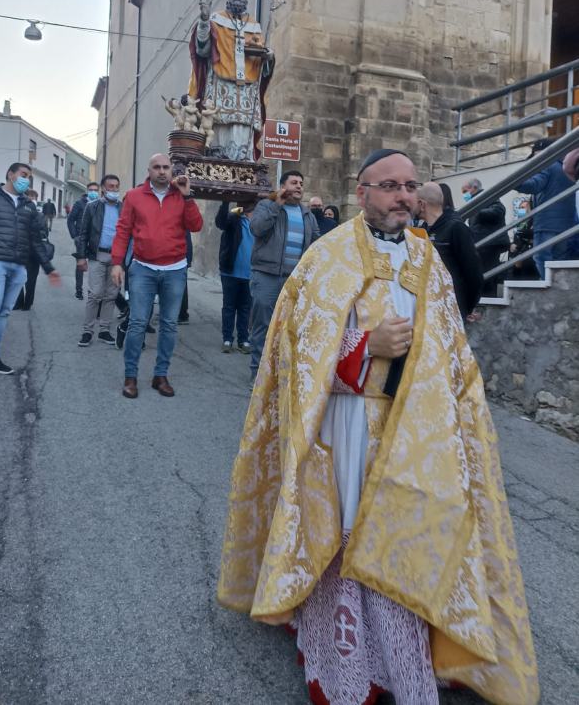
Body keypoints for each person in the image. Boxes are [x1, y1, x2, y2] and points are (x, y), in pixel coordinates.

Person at [218, 148, 539, 705]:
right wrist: (365, 348)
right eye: (389, 185)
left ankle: (407, 656)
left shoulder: (428, 260)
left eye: (410, 185)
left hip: (418, 430)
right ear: (361, 191)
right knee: (353, 529)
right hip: (351, 422)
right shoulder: (330, 254)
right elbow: (295, 349)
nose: (402, 196)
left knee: (407, 532)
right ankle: (348, 662)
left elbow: (452, 348)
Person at [111, 154, 203, 399]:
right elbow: (123, 230)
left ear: (171, 169)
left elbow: (196, 226)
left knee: (170, 325)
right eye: (157, 168)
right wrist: (117, 263)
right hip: (142, 268)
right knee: (138, 323)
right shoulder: (134, 196)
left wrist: (188, 196)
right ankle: (130, 376)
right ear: (149, 170)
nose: (162, 171)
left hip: (175, 269)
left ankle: (160, 376)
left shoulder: (181, 196)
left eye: (166, 167)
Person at [0, 163, 60, 377]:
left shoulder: (29, 205)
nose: (26, 179)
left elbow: (35, 239)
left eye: (29, 177)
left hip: (19, 264)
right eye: (23, 175)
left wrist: (48, 267)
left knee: (5, 311)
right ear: (10, 174)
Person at [188, 0, 274, 161]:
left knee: (241, 128)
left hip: (247, 90)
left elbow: (261, 64)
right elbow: (202, 49)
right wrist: (205, 20)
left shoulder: (254, 25)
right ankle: (218, 160)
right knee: (219, 126)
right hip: (220, 85)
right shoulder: (216, 19)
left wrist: (269, 58)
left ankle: (243, 162)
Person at [249, 170, 320, 383]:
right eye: (294, 182)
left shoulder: (307, 214)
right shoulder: (266, 206)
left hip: (295, 281)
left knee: (290, 328)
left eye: (301, 183)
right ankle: (258, 376)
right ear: (282, 186)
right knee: (262, 325)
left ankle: (281, 375)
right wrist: (276, 205)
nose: (299, 186)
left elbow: (316, 245)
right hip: (267, 276)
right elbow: (257, 228)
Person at [417, 182, 484, 318]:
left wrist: (465, 307)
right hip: (429, 308)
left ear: (422, 205)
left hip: (451, 311)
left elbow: (473, 273)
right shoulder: (423, 230)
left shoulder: (456, 228)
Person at [514, 141, 577, 278]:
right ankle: (559, 287)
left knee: (541, 257)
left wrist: (515, 182)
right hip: (566, 224)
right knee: (559, 259)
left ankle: (549, 286)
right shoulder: (567, 169)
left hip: (547, 222)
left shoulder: (548, 165)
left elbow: (534, 185)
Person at [76, 175, 122, 347]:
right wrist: (81, 257)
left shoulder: (123, 208)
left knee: (111, 295)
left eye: (116, 186)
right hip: (97, 255)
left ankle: (104, 330)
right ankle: (87, 331)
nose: (114, 190)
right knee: (95, 294)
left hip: (116, 258)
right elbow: (83, 234)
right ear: (103, 188)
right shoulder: (92, 207)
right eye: (110, 186)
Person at [215, 199, 255, 353]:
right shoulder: (234, 216)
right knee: (229, 307)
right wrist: (225, 202)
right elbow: (221, 222)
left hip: (250, 274)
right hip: (230, 272)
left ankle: (243, 339)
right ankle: (227, 339)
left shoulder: (259, 222)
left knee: (245, 308)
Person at [461, 177, 508, 297]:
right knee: (481, 274)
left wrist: (478, 211)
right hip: (482, 244)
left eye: (465, 191)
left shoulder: (486, 197)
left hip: (489, 245)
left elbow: (499, 211)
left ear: (474, 188)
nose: (464, 195)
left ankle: (488, 298)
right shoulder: (475, 201)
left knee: (487, 275)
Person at [13, 189, 49, 311]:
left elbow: (44, 232)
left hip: (34, 253)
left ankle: (27, 303)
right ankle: (19, 302)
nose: (32, 199)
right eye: (30, 196)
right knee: (17, 278)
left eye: (34, 196)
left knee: (31, 280)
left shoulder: (40, 215)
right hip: (20, 251)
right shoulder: (18, 212)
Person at [68, 182, 100, 299]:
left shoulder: (99, 204)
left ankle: (93, 291)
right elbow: (70, 220)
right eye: (91, 190)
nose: (93, 192)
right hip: (81, 239)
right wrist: (75, 236)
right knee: (80, 265)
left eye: (96, 190)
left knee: (95, 266)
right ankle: (79, 290)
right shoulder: (79, 204)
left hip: (95, 240)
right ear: (87, 190)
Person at [508, 198, 538, 280]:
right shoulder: (520, 223)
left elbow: (532, 235)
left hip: (529, 256)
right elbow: (516, 238)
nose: (521, 210)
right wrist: (512, 245)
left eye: (523, 207)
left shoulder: (535, 220)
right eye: (520, 208)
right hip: (517, 255)